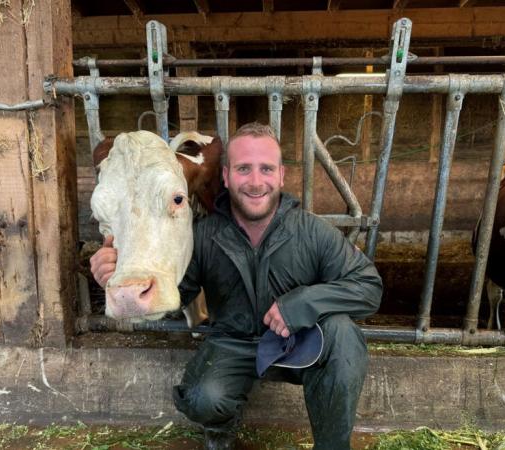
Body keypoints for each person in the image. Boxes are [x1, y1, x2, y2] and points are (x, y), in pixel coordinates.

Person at [90, 122, 382, 449]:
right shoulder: (204, 234)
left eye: (266, 169)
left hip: (299, 341)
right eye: (244, 169)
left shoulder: (312, 231)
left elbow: (368, 286)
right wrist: (122, 273)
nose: (256, 182)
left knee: (343, 335)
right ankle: (220, 430)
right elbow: (179, 293)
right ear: (226, 177)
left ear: (281, 176)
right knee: (202, 398)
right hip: (233, 343)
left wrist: (302, 304)